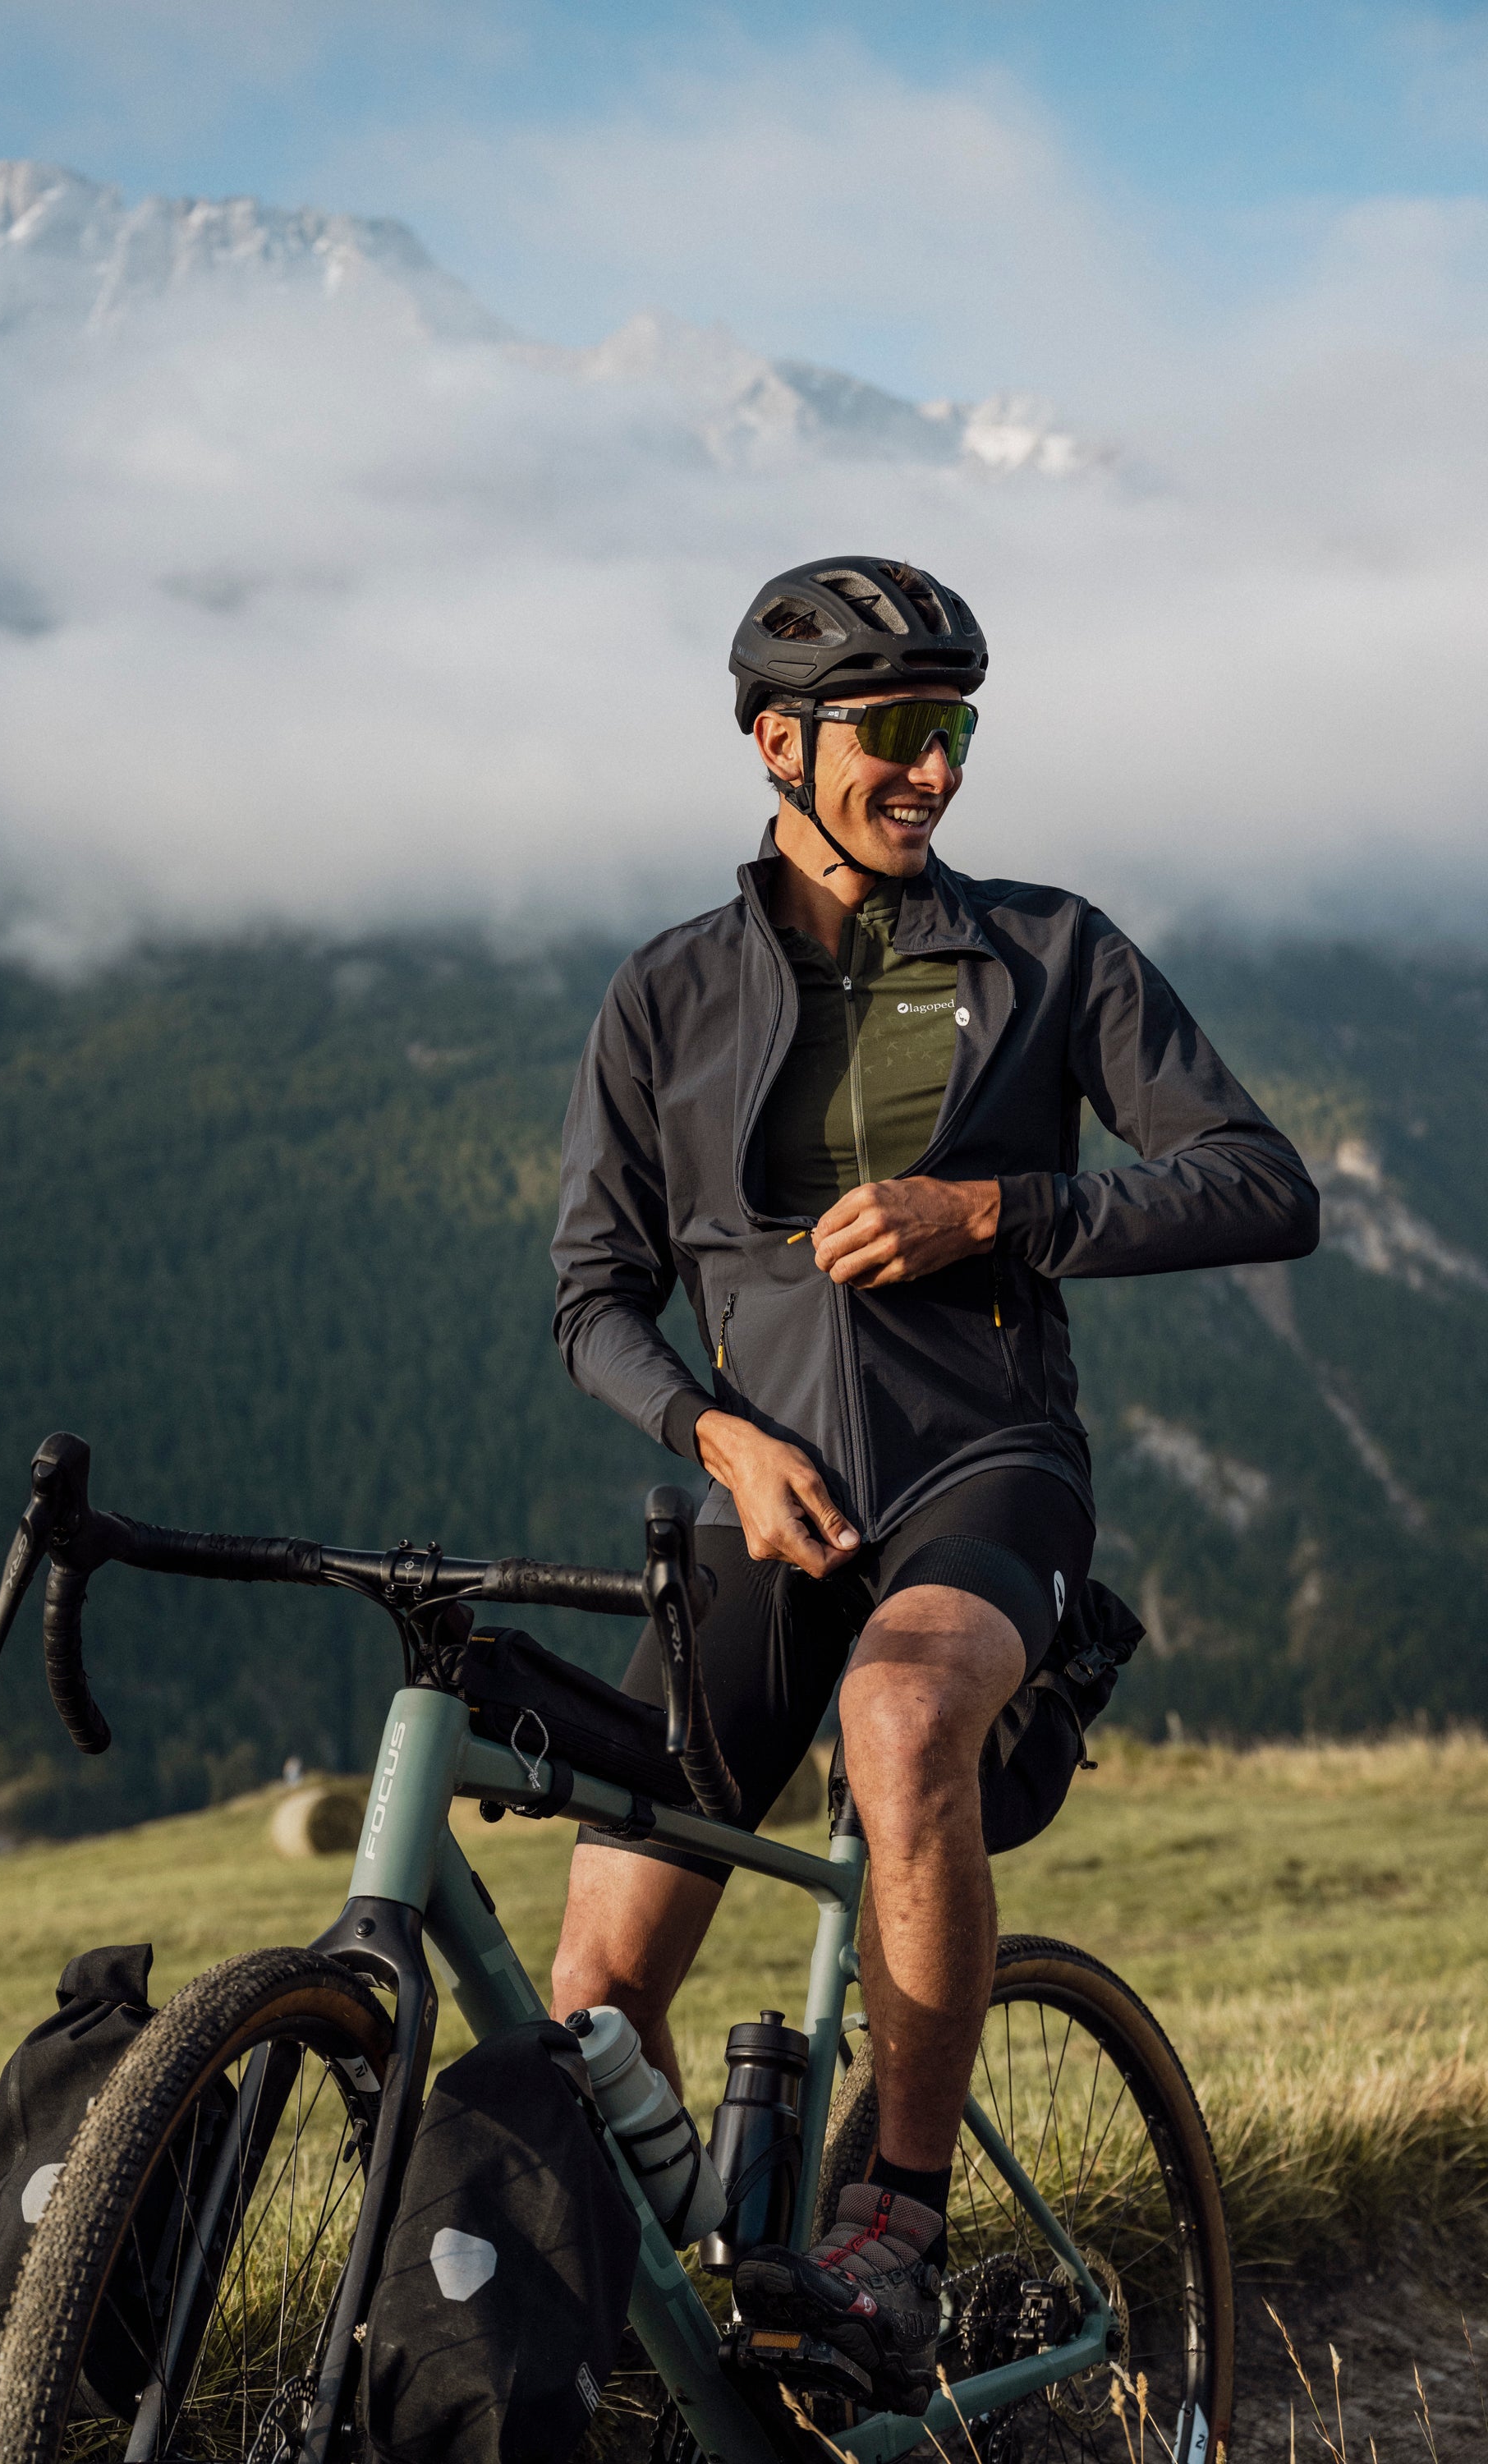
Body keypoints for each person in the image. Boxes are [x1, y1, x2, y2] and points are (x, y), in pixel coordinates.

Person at [548, 554, 1318, 2407]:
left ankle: (896, 2225)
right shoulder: (666, 992)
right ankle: (666, 2346)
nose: (936, 770)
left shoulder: (1049, 952)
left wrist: (1004, 1210)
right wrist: (715, 1436)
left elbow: (1262, 1184)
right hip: (768, 1503)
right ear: (777, 744)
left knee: (899, 1726)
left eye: (954, 728)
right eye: (894, 730)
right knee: (593, 2001)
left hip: (990, 1469)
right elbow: (592, 1299)